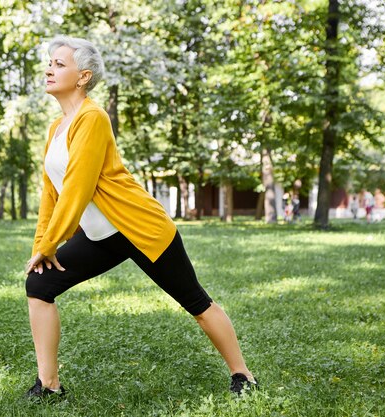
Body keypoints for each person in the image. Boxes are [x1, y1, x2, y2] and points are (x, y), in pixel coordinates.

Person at [23, 35, 257, 401]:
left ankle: (243, 375)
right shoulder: (56, 128)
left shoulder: (93, 118)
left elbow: (78, 187)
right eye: (50, 63)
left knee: (195, 301)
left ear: (83, 76)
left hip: (139, 228)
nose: (49, 69)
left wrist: (53, 242)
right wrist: (42, 246)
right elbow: (51, 194)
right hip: (101, 236)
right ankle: (49, 386)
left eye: (59, 64)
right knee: (39, 286)